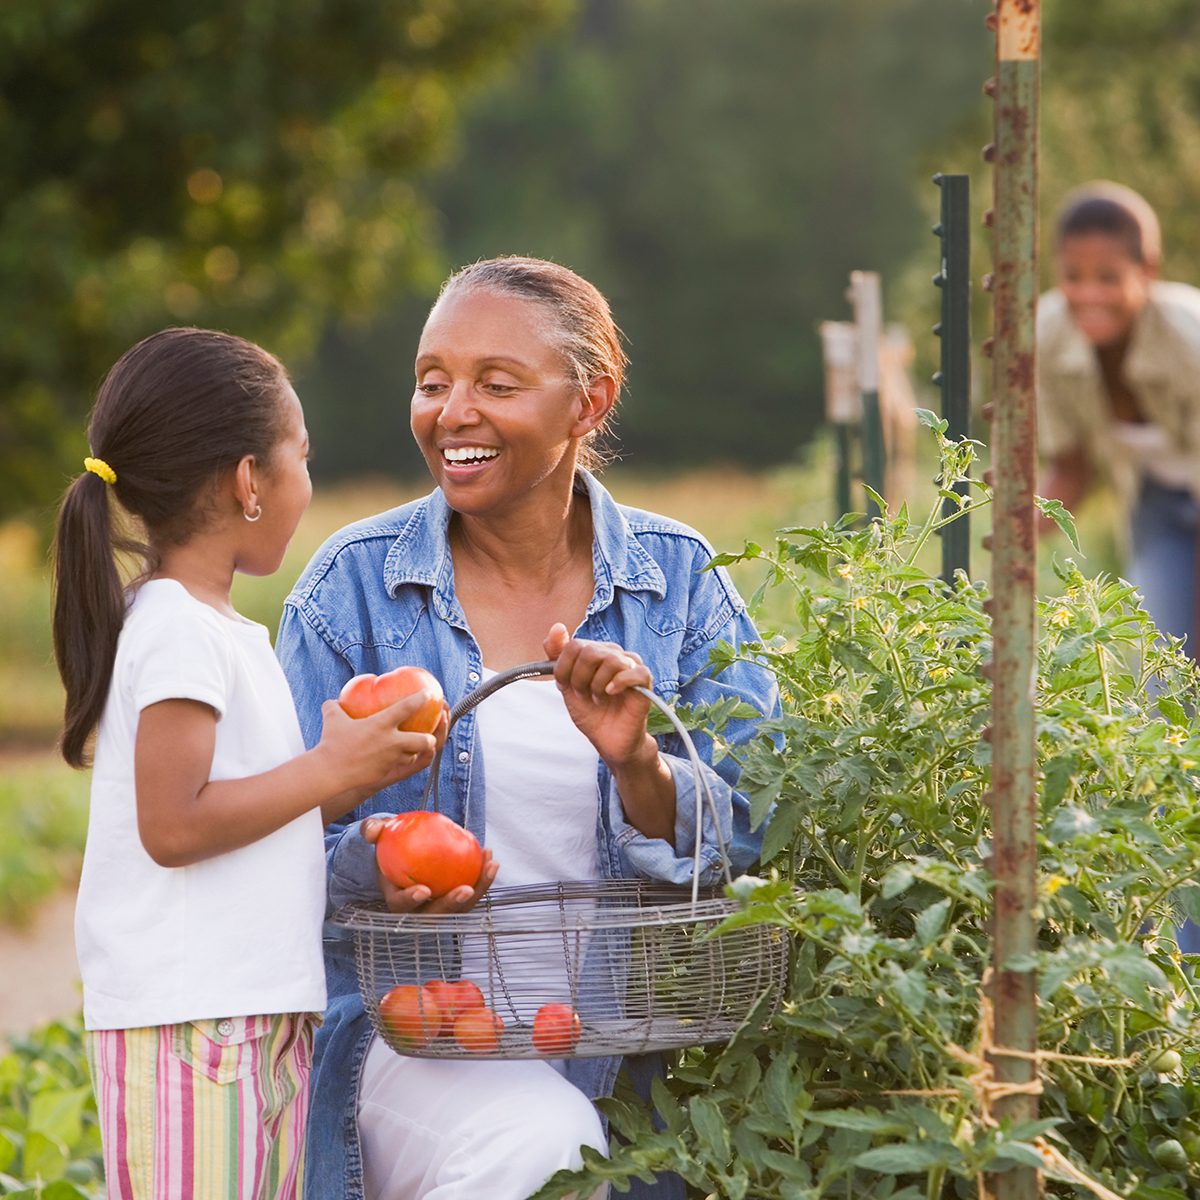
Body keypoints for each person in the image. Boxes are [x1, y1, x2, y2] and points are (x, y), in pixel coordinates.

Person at [275, 256, 780, 1200]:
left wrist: (640, 765)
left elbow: (760, 823)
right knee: (547, 1147)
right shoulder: (353, 587)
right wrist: (374, 861)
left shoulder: (677, 580)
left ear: (591, 402)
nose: (451, 411)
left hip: (633, 1057)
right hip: (415, 1042)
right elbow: (271, 833)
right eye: (433, 381)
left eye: (496, 384)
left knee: (579, 1144)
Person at [52, 327, 446, 1200]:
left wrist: (350, 820)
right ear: (248, 482)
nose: (309, 479)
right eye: (300, 455)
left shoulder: (222, 631)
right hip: (194, 1024)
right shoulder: (177, 629)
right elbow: (173, 822)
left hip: (252, 1014)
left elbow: (244, 812)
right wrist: (330, 773)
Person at [1038, 181, 1200, 660]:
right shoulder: (1048, 334)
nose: (1089, 294)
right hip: (1156, 502)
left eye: (1108, 277)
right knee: (1161, 663)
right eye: (1073, 275)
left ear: (1147, 271)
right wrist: (1016, 531)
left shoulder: (1189, 337)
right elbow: (1071, 468)